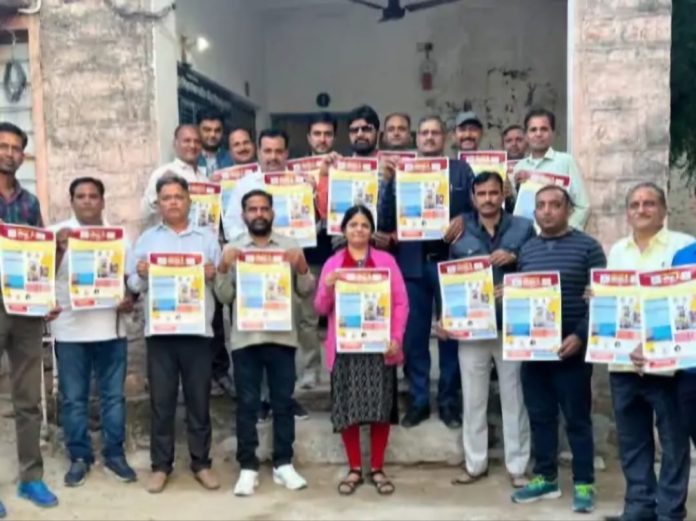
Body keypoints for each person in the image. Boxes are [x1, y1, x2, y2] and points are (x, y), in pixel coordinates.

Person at [511, 185, 605, 514]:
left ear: (568, 210)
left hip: (571, 349)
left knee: (577, 419)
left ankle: (584, 482)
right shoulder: (527, 250)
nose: (547, 211)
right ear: (534, 211)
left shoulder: (589, 248)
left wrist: (579, 336)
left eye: (555, 204)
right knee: (540, 417)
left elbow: (602, 300)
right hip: (533, 350)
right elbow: (522, 299)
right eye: (541, 205)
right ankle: (546, 477)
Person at [601, 182, 692, 521]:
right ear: (627, 213)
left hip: (668, 366)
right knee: (633, 441)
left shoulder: (684, 248)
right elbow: (615, 303)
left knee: (673, 441)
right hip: (623, 363)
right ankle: (639, 507)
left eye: (649, 203)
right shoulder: (618, 251)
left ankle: (669, 511)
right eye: (635, 204)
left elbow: (687, 306)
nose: (642, 210)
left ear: (664, 210)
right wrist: (598, 298)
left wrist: (652, 344)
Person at [215, 189, 315, 496]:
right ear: (243, 215)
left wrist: (301, 267)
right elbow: (224, 297)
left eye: (264, 208)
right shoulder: (232, 248)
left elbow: (306, 290)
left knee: (283, 402)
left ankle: (284, 463)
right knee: (247, 404)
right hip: (246, 339)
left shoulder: (290, 246)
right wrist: (222, 267)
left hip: (282, 337)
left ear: (272, 213)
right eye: (252, 209)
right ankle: (248, 466)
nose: (258, 214)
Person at [438, 172, 533, 489]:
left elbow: (537, 269)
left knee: (514, 398)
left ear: (502, 195)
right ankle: (474, 464)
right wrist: (445, 318)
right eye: (482, 194)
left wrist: (515, 260)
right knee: (473, 399)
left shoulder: (523, 227)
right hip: (473, 329)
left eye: (494, 193)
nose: (488, 199)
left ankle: (518, 467)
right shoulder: (460, 231)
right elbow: (450, 279)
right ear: (473, 198)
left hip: (512, 326)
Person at [127, 175, 222, 494]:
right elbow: (132, 283)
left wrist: (213, 274)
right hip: (161, 332)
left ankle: (201, 463)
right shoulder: (147, 240)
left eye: (178, 197)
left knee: (199, 400)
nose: (173, 202)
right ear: (158, 203)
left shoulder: (206, 239)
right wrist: (140, 275)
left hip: (198, 332)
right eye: (166, 198)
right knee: (162, 401)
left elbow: (223, 285)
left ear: (189, 201)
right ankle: (160, 466)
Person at [379, 115, 473, 428]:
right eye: (424, 133)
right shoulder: (402, 170)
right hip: (412, 263)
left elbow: (480, 209)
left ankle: (448, 402)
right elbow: (385, 220)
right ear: (416, 138)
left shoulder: (461, 170)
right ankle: (418, 401)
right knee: (413, 337)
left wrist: (464, 218)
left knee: (451, 335)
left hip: (451, 263)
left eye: (435, 132)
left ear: (445, 137)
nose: (429, 138)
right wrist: (388, 183)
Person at [314, 204, 409, 496]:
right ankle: (355, 468)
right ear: (343, 230)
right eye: (353, 224)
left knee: (381, 409)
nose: (358, 229)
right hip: (346, 349)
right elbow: (320, 308)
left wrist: (396, 337)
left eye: (364, 225)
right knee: (348, 410)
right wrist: (328, 287)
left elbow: (400, 303)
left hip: (379, 347)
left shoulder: (386, 262)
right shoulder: (333, 264)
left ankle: (377, 468)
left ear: (371, 231)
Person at [52, 177, 138, 487]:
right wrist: (58, 249)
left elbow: (131, 281)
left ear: (102, 201)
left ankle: (114, 454)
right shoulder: (57, 233)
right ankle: (79, 457)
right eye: (81, 196)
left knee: (113, 398)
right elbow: (42, 277)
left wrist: (130, 299)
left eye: (93, 196)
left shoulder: (119, 238)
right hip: (69, 331)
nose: (87, 201)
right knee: (73, 399)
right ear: (71, 201)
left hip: (110, 330)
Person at [0, 122, 61, 514]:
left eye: (16, 148)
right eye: (3, 146)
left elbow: (39, 253)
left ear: (23, 156)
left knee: (27, 398)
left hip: (24, 309)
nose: (9, 153)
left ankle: (31, 478)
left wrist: (45, 295)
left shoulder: (29, 203)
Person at [300, 112, 339, 389]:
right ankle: (310, 369)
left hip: (341, 250)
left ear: (334, 137)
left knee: (343, 311)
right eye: (317, 134)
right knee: (308, 316)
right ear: (309, 137)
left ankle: (341, 365)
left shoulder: (346, 168)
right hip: (310, 251)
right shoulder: (296, 172)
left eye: (327, 134)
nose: (322, 139)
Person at [512, 108, 590, 230]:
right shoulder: (519, 167)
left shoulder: (565, 162)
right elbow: (514, 205)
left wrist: (566, 230)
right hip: (526, 236)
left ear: (552, 133)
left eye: (544, 129)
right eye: (533, 130)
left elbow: (583, 206)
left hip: (559, 237)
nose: (538, 134)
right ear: (526, 136)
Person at [141, 125, 208, 228]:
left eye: (197, 142)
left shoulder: (205, 179)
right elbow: (145, 212)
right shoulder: (163, 173)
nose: (192, 146)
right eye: (187, 141)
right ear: (175, 144)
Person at [197, 108, 233, 176]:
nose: (212, 135)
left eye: (217, 130)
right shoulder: (192, 158)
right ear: (197, 130)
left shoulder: (231, 159)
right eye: (207, 130)